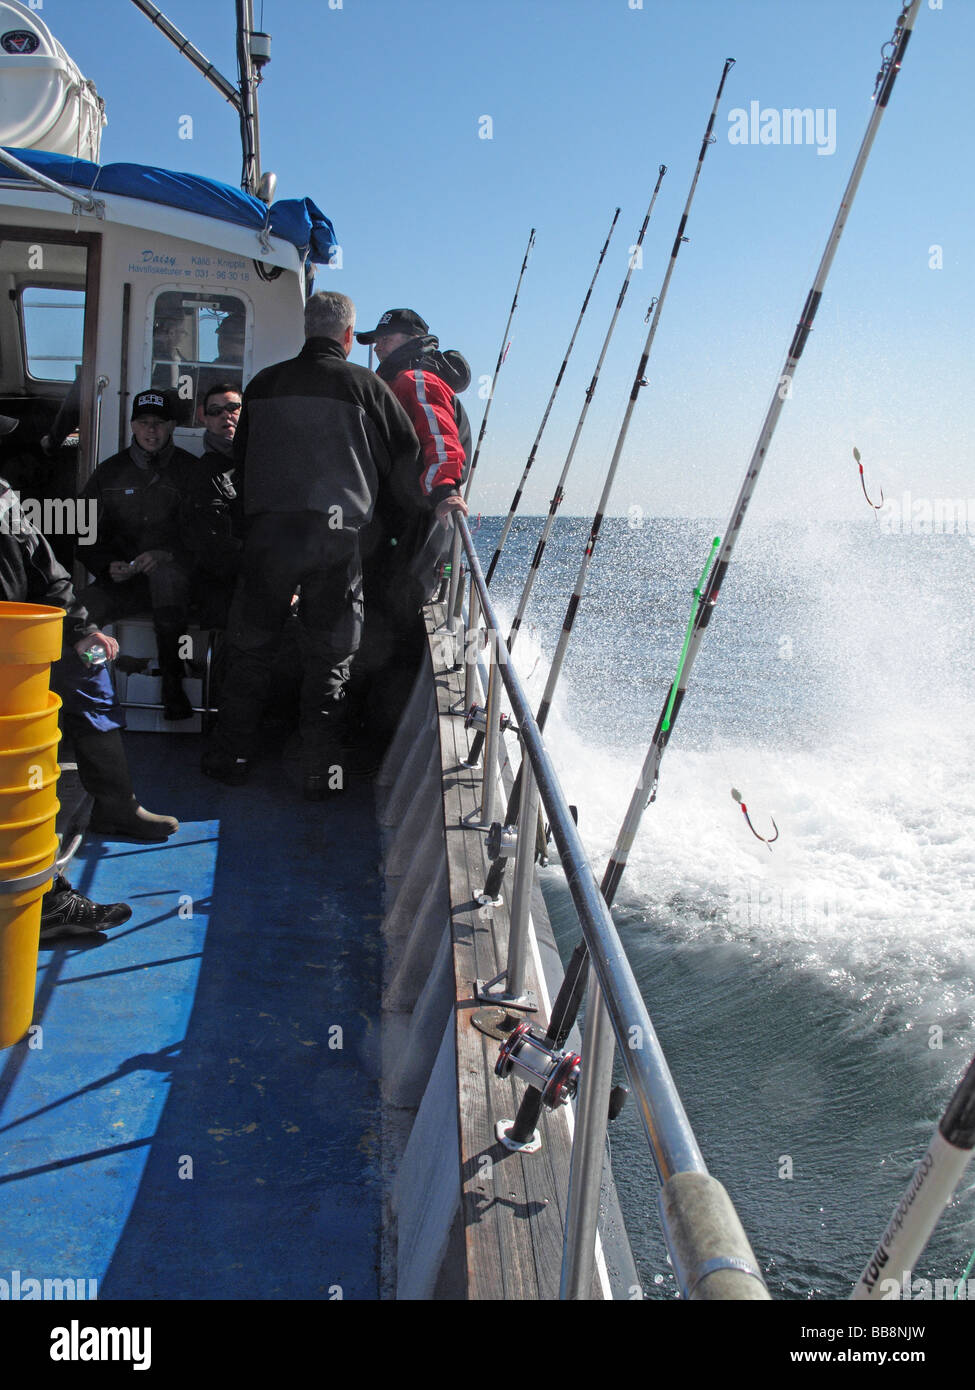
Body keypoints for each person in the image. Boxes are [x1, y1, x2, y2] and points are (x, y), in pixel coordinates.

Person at [201, 290, 429, 799]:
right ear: (348, 336)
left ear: (308, 329)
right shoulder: (367, 386)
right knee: (331, 655)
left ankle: (230, 757)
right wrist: (386, 532)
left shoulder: (262, 385)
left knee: (251, 647)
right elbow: (407, 464)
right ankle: (318, 772)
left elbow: (241, 462)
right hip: (336, 537)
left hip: (269, 534)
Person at [0, 417, 178, 940]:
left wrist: (80, 629)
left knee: (89, 680)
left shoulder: (4, 497)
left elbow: (46, 565)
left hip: (16, 648)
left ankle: (113, 814)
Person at [352, 308, 470, 754]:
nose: (377, 346)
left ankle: (378, 743)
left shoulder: (413, 379)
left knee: (390, 630)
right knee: (394, 626)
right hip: (411, 530)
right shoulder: (409, 377)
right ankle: (384, 736)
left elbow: (440, 441)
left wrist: (444, 490)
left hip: (411, 530)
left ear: (407, 339)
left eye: (384, 338)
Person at [78, 390, 198, 721]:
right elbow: (83, 533)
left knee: (167, 577)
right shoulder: (108, 473)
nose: (151, 431)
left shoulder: (192, 471)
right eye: (144, 423)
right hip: (121, 586)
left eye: (159, 424)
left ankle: (172, 684)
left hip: (178, 591)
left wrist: (167, 554)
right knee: (75, 616)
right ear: (133, 424)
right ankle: (94, 699)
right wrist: (106, 565)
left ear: (171, 426)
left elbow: (207, 538)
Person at [184, 382, 244, 628]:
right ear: (204, 419)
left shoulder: (268, 462)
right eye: (215, 411)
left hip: (272, 573)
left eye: (232, 407)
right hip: (225, 582)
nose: (225, 415)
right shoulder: (202, 473)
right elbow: (211, 544)